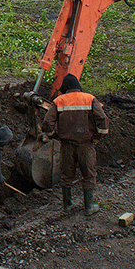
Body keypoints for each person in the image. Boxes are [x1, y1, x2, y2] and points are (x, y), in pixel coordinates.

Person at [39, 73, 108, 214]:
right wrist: (98, 136)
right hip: (85, 144)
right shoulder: (90, 99)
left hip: (66, 145)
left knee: (66, 176)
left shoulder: (59, 101)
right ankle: (88, 207)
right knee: (88, 175)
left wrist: (55, 136)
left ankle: (67, 205)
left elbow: (47, 123)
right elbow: (102, 119)